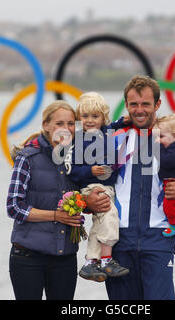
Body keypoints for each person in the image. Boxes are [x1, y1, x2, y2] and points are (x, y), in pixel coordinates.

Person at [98, 75, 175, 300]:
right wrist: (89, 202)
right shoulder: (114, 139)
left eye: (145, 104)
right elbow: (94, 183)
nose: (139, 110)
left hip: (158, 240)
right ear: (126, 105)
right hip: (119, 241)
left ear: (157, 105)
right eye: (133, 104)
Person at [6, 100, 108, 300]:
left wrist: (89, 203)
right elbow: (14, 207)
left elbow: (79, 200)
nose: (66, 129)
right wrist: (56, 216)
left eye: (71, 124)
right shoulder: (27, 157)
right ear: (46, 125)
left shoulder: (79, 158)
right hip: (28, 257)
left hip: (65, 258)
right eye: (59, 123)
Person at [65, 92, 129, 282]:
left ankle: (91, 262)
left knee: (101, 222)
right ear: (79, 118)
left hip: (107, 186)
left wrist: (122, 121)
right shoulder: (78, 139)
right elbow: (73, 171)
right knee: (109, 218)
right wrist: (90, 171)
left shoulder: (105, 132)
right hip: (92, 187)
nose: (90, 121)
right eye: (85, 117)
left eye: (95, 116)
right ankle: (106, 259)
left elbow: (112, 126)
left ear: (103, 118)